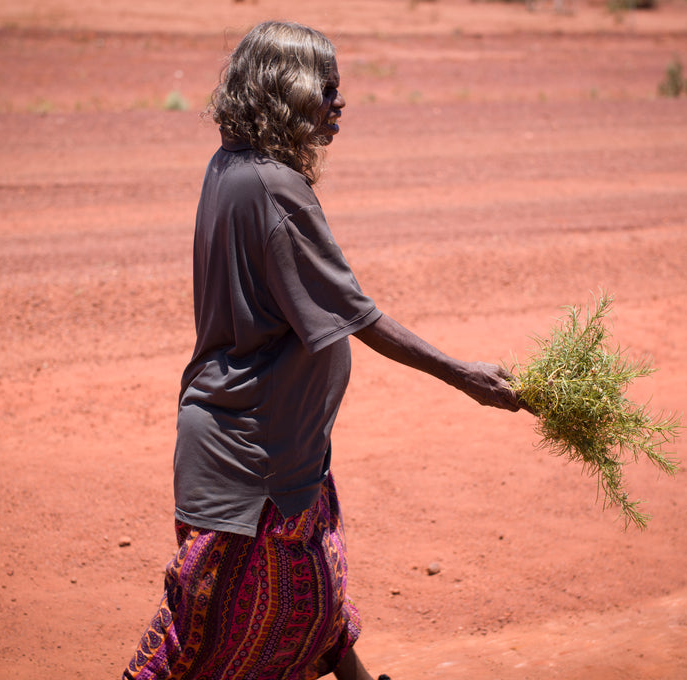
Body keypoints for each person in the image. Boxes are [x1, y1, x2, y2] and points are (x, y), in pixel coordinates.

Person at [123, 20, 529, 680]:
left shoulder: (232, 167)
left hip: (274, 441)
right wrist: (465, 375)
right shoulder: (273, 187)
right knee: (202, 631)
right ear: (286, 92)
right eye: (328, 88)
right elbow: (355, 313)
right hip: (248, 454)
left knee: (312, 599)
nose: (341, 103)